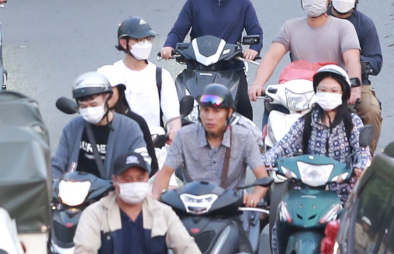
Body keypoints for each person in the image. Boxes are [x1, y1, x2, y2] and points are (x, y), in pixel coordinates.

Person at [249, 0, 365, 104]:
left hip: (331, 95)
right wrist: (258, 84)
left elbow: (352, 60)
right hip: (296, 94)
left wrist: (355, 91)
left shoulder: (344, 27)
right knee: (271, 107)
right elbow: (272, 56)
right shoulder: (290, 27)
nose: (312, 0)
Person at [262, 65, 367, 196]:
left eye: (334, 91)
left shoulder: (352, 122)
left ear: (343, 94)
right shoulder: (306, 121)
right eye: (323, 90)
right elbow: (283, 146)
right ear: (316, 92)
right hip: (308, 191)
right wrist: (263, 163)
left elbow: (362, 151)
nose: (328, 95)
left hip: (343, 194)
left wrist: (360, 167)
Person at [73, 148, 202, 254]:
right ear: (115, 180)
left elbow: (187, 248)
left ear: (147, 178)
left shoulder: (163, 213)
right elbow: (84, 250)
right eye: (127, 179)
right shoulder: (95, 214)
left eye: (140, 178)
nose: (134, 184)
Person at [154, 84, 267, 204]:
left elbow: (263, 178)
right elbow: (165, 175)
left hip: (230, 208)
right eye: (205, 110)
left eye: (217, 111)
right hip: (192, 206)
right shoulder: (184, 136)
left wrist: (254, 197)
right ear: (199, 112)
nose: (210, 117)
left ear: (229, 113)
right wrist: (156, 205)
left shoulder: (244, 137)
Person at [52, 70, 151, 182]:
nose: (89, 109)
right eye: (84, 106)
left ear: (107, 97)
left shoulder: (129, 128)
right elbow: (58, 163)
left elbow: (143, 163)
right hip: (75, 192)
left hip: (114, 192)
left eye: (94, 104)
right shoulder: (73, 127)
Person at [107, 17, 184, 153]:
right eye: (139, 40)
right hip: (120, 148)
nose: (146, 44)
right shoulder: (111, 75)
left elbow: (173, 116)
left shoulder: (161, 75)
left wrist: (175, 131)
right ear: (123, 43)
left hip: (155, 149)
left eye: (148, 39)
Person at [328, 0, 384, 151]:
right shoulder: (321, 20)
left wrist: (354, 62)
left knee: (371, 110)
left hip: (358, 84)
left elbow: (376, 62)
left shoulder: (365, 24)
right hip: (324, 82)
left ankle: (366, 159)